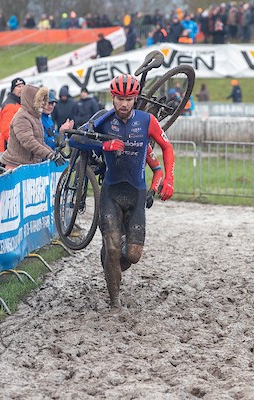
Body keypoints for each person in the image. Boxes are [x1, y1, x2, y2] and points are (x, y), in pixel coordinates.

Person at [95, 74, 175, 310]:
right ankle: (114, 302)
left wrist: (167, 179)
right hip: (110, 191)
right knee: (111, 249)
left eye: (129, 99)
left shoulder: (147, 120)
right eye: (120, 98)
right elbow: (79, 141)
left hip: (136, 193)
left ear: (135, 98)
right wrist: (104, 145)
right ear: (113, 98)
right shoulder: (103, 119)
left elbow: (166, 147)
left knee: (132, 256)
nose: (124, 104)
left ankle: (112, 261)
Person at [0, 85, 73, 169]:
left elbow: (40, 142)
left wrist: (54, 154)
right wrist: (50, 155)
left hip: (29, 166)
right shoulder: (22, 117)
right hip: (16, 166)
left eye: (43, 100)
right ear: (31, 100)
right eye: (40, 100)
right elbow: (28, 142)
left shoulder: (35, 117)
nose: (43, 103)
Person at [0, 77, 25, 152]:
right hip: (9, 147)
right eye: (18, 86)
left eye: (23, 86)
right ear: (13, 89)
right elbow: (6, 130)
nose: (21, 89)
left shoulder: (20, 104)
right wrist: (16, 146)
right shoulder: (10, 105)